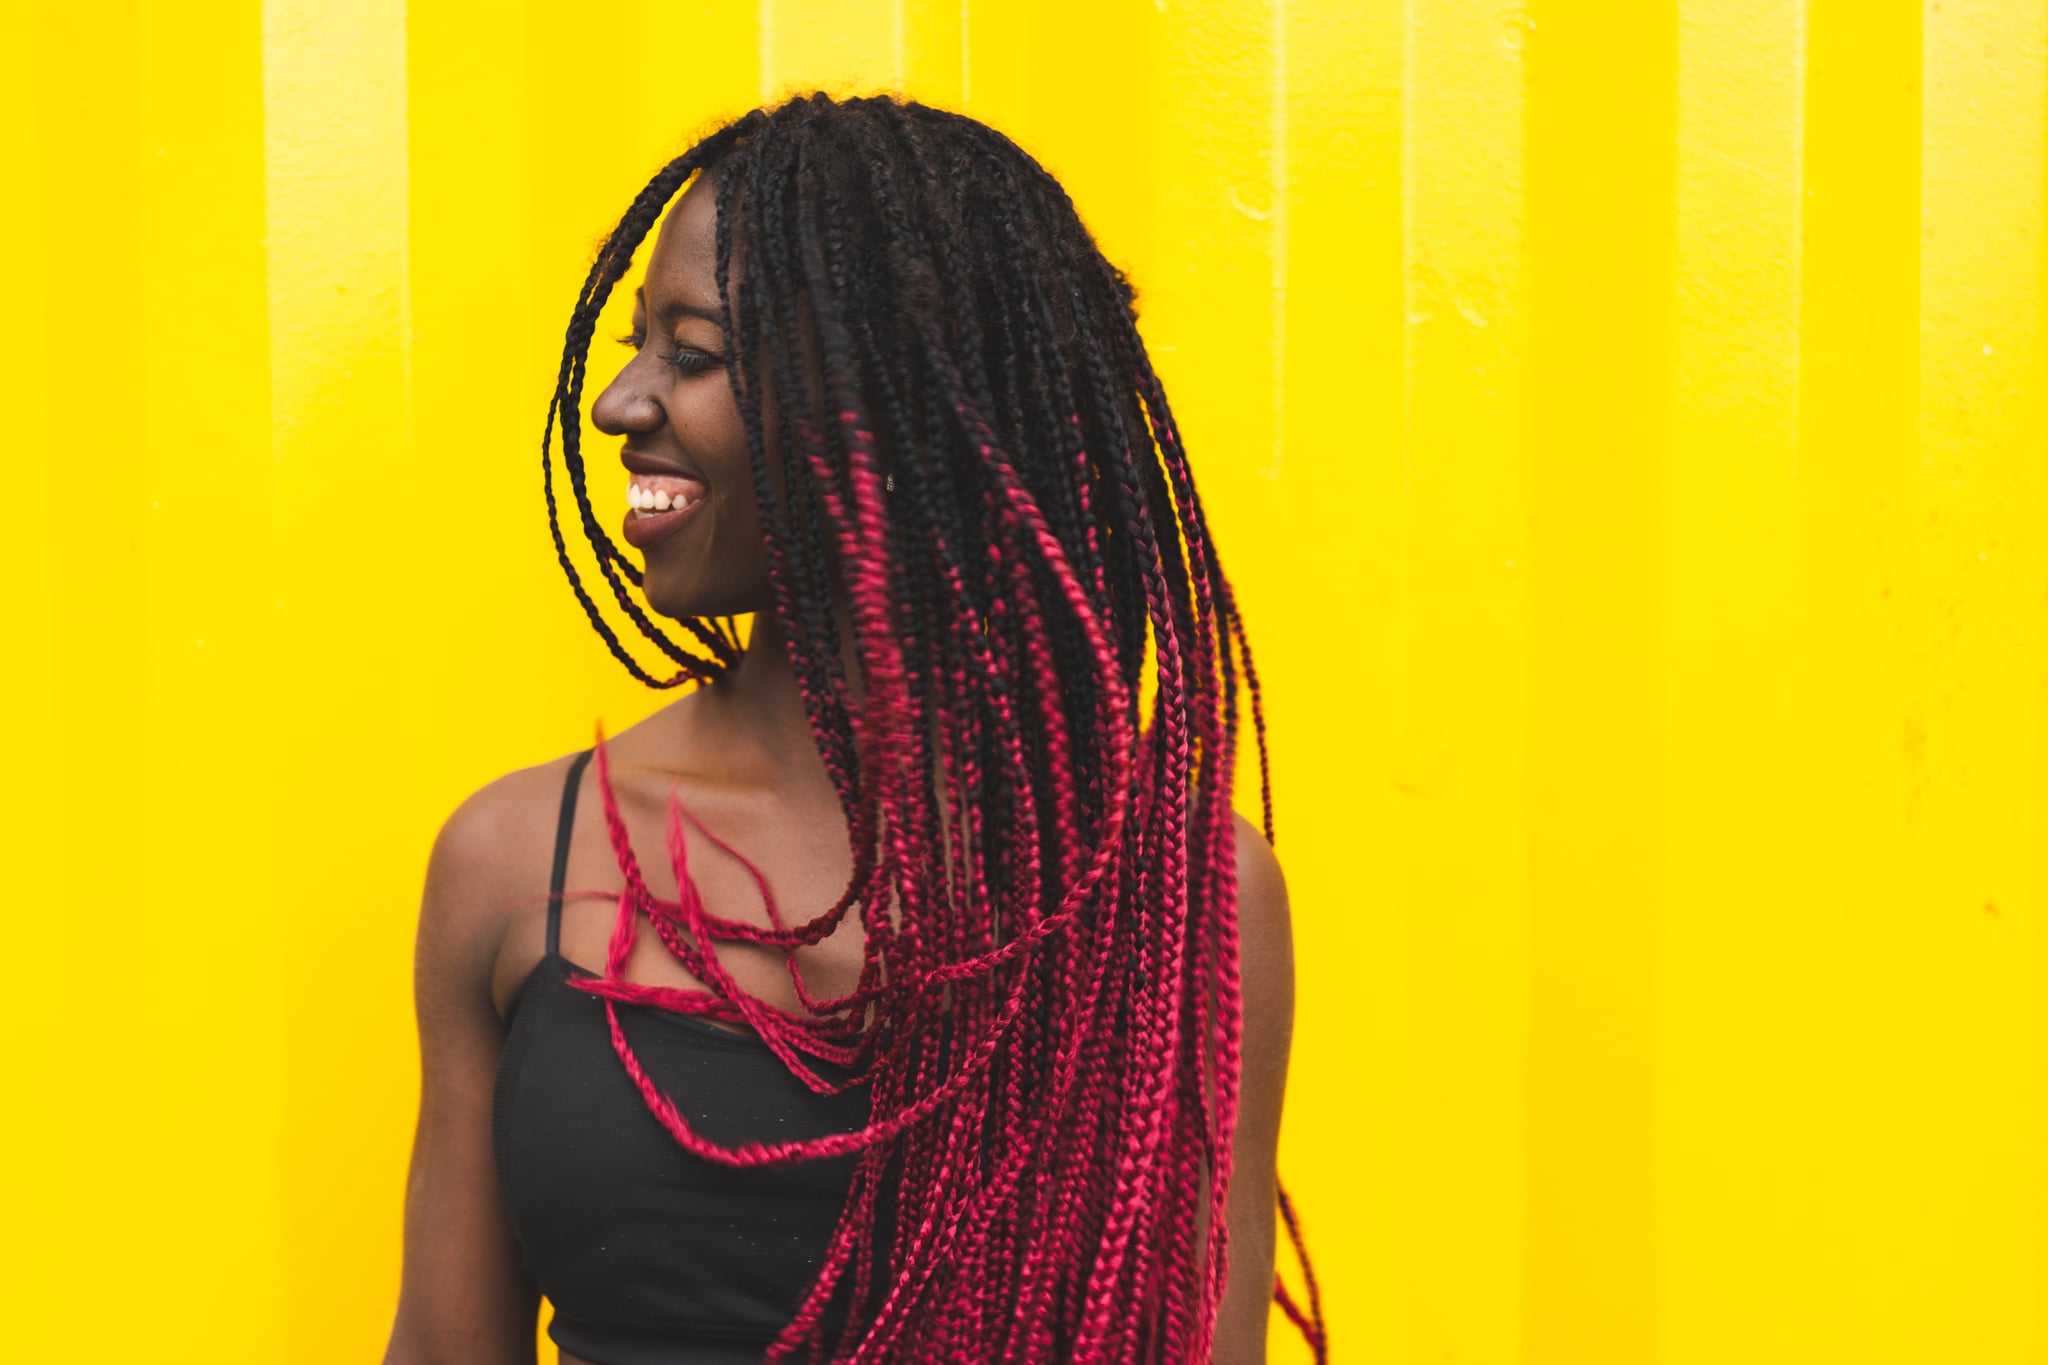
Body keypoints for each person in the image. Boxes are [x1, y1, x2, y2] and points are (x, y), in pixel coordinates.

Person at [383, 92, 1322, 1365]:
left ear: (887, 409)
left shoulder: (1172, 895)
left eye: (692, 353)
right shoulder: (514, 860)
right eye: (636, 345)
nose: (618, 404)